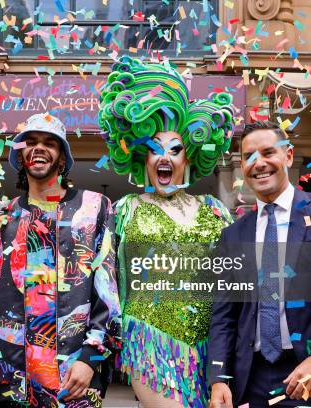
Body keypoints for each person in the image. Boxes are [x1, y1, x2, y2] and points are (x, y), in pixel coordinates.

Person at [97, 56, 236, 408]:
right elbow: (105, 281)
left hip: (212, 348)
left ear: (188, 158)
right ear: (143, 159)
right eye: (155, 150)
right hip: (149, 342)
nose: (165, 158)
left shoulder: (215, 210)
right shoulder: (125, 209)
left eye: (175, 150)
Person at [209, 121, 311, 407]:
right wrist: (218, 378)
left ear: (289, 156)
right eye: (249, 156)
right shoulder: (233, 235)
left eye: (269, 152)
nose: (260, 163)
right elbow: (224, 315)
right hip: (249, 383)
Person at [0, 112, 122, 407]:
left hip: (73, 375)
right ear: (20, 155)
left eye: (49, 143)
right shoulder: (1, 215)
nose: (39, 147)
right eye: (30, 141)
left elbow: (108, 291)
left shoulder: (94, 208)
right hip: (9, 375)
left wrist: (91, 357)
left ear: (62, 159)